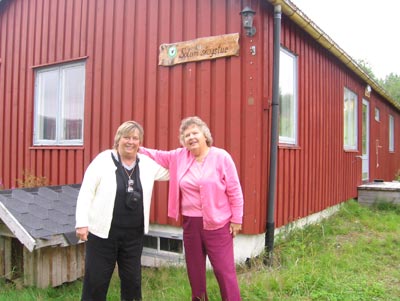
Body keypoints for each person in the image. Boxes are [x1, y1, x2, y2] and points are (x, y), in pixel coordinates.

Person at [140, 116, 244, 301]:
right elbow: (156, 154)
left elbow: (235, 190)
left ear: (205, 135)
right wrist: (133, 146)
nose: (191, 137)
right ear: (183, 141)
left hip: (218, 224)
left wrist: (237, 219)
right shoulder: (179, 156)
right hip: (191, 224)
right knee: (195, 272)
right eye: (187, 135)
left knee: (223, 271)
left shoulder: (221, 157)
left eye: (195, 133)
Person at [75, 121, 169, 301]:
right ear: (118, 139)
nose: (130, 142)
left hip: (133, 236)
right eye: (126, 137)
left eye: (135, 138)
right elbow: (86, 191)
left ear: (140, 143)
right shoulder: (103, 161)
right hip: (103, 235)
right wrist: (81, 223)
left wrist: (193, 156)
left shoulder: (147, 164)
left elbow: (172, 170)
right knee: (96, 282)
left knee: (132, 283)